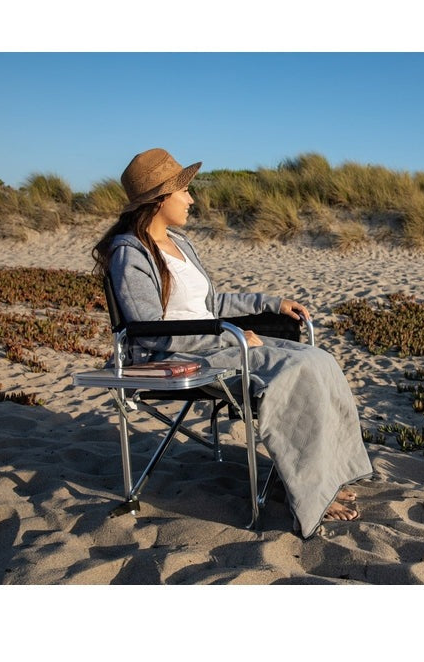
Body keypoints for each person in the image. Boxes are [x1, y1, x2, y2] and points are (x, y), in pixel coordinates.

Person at [92, 148, 373, 538]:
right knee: (296, 372)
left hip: (218, 342)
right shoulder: (130, 253)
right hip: (179, 354)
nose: (191, 199)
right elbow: (150, 330)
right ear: (159, 199)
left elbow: (211, 303)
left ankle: (328, 476)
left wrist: (270, 303)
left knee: (318, 359)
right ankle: (311, 494)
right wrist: (228, 334)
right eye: (183, 191)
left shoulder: (179, 243)